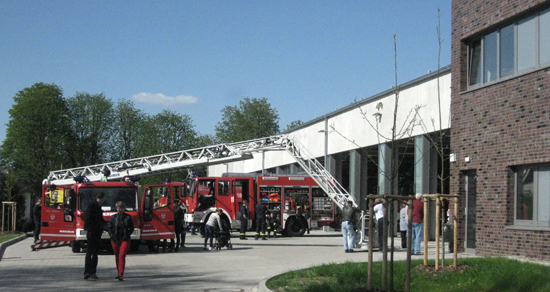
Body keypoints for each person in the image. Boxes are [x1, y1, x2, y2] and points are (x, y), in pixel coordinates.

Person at [108, 201, 134, 281]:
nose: (119, 210)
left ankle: (121, 274)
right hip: (115, 239)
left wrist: (127, 234)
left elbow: (131, 228)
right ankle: (118, 271)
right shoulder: (113, 217)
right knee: (117, 257)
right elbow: (109, 227)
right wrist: (111, 235)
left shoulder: (128, 217)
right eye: (118, 208)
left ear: (124, 209)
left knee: (122, 256)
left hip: (125, 239)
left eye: (121, 208)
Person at [84, 192, 107, 280]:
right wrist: (102, 226)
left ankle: (92, 272)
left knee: (94, 253)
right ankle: (88, 272)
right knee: (91, 253)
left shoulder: (96, 206)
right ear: (102, 198)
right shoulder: (93, 206)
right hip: (93, 232)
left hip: (96, 232)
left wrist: (106, 226)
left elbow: (101, 220)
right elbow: (91, 220)